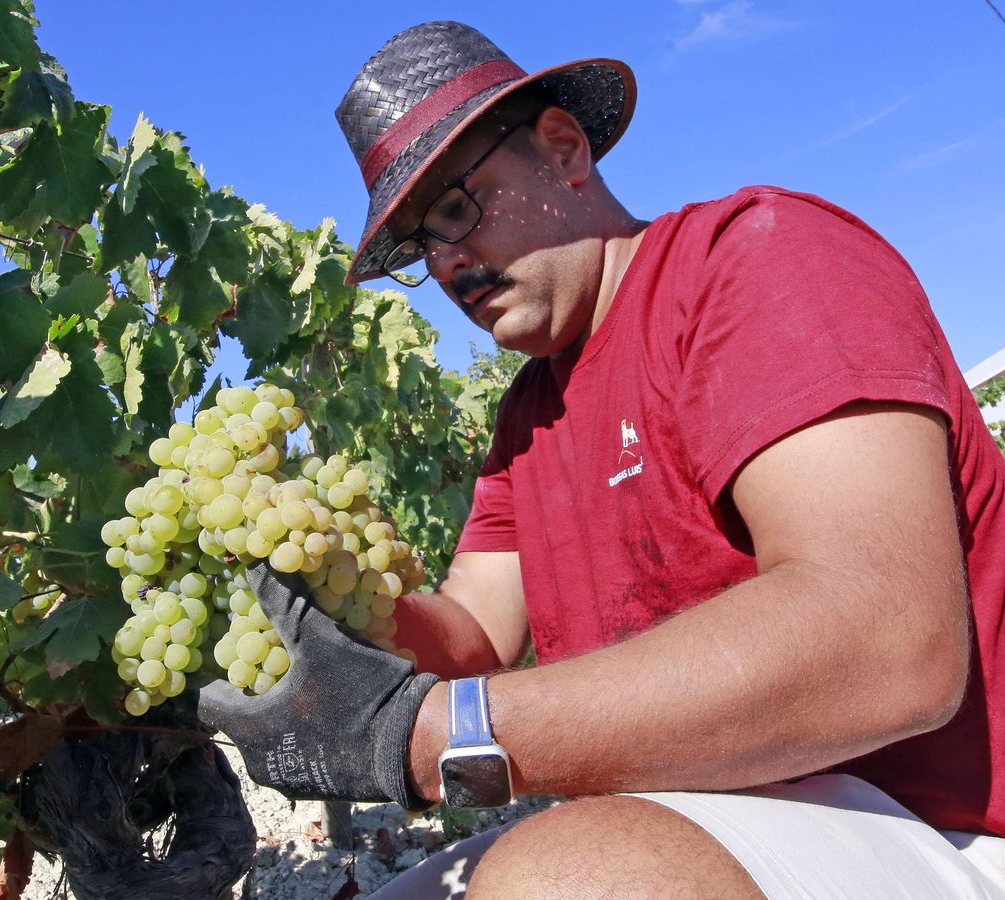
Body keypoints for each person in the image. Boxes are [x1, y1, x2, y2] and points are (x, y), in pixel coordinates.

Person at [198, 20, 1005, 898]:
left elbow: (886, 642)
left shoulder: (758, 261)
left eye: (457, 209)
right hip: (710, 809)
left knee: (563, 879)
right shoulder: (528, 416)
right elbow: (474, 632)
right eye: (423, 246)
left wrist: (431, 736)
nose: (449, 263)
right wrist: (321, 590)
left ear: (564, 148)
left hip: (943, 824)